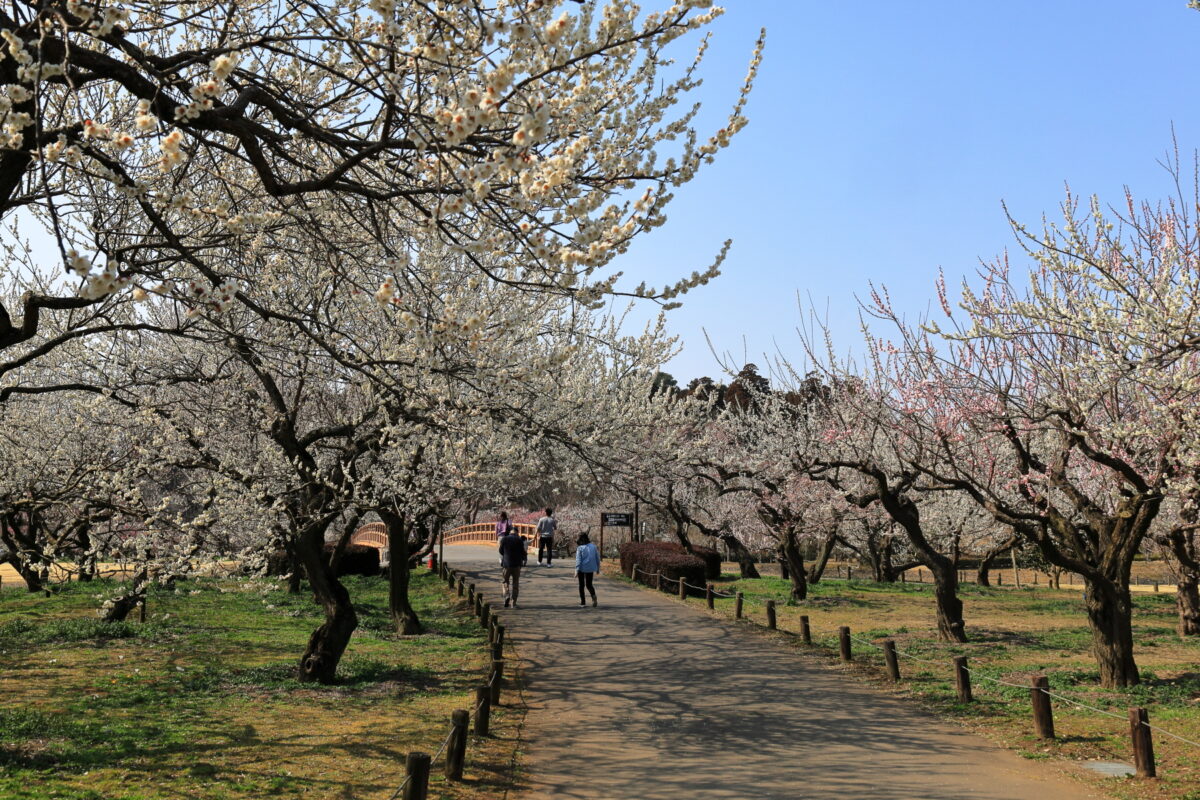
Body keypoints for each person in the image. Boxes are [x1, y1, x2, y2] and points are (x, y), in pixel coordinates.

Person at [498, 526, 528, 608]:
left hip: (506, 564)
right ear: (517, 532)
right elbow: (523, 552)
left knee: (505, 582)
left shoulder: (504, 539)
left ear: (510, 532)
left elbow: (500, 551)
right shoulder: (519, 540)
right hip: (517, 565)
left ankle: (507, 595)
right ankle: (513, 602)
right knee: (515, 583)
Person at [574, 532, 600, 607]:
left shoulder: (580, 548)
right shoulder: (593, 546)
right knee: (589, 585)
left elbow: (578, 560)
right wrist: (598, 568)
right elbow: (597, 558)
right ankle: (593, 596)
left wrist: (576, 570)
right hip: (590, 568)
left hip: (582, 568)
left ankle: (583, 603)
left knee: (581, 585)